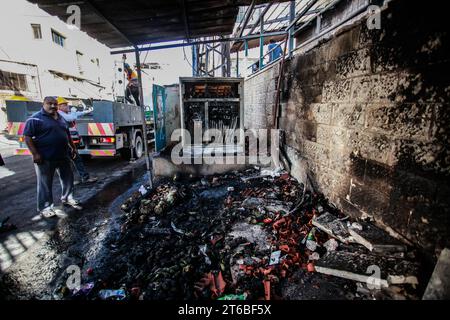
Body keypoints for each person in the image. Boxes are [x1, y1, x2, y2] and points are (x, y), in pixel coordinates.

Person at [23, 96, 82, 218]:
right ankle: (45, 207)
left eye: (55, 104)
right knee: (45, 183)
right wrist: (35, 154)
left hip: (63, 155)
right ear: (43, 104)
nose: (53, 106)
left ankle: (67, 197)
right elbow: (27, 137)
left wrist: (73, 148)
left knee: (67, 178)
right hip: (45, 157)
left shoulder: (60, 118)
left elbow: (67, 134)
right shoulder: (35, 119)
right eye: (49, 104)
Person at [56, 97, 97, 184]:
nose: (67, 106)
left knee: (75, 159)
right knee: (68, 162)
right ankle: (72, 181)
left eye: (67, 104)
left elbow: (77, 114)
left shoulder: (65, 113)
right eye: (64, 105)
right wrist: (74, 111)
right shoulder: (59, 113)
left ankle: (80, 178)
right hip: (63, 143)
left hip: (69, 141)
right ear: (59, 107)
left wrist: (87, 111)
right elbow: (70, 118)